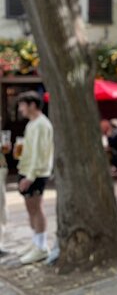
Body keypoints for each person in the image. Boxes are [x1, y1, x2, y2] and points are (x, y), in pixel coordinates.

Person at [15, 91, 54, 264]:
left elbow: (40, 153)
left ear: (32, 105)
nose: (20, 109)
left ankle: (41, 246)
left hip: (36, 173)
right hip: (27, 170)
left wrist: (29, 177)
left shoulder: (41, 124)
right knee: (31, 209)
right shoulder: (32, 124)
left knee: (36, 208)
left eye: (22, 105)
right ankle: (36, 242)